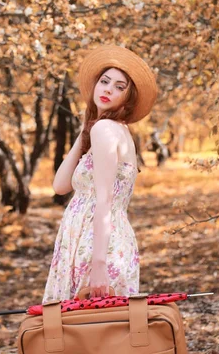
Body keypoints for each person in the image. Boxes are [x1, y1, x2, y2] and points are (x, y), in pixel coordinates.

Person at [43, 45, 158, 302]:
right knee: (102, 334)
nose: (108, 89)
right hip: (102, 240)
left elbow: (103, 201)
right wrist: (86, 129)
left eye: (119, 87)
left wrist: (98, 265)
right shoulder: (107, 129)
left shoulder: (105, 130)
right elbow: (60, 186)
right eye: (104, 81)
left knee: (85, 332)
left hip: (95, 244)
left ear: (128, 99)